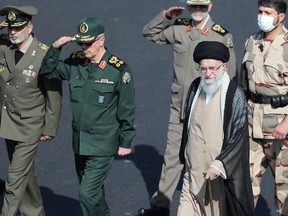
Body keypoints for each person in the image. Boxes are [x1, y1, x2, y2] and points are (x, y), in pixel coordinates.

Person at [138, 0, 236, 215]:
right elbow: (150, 34)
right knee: (172, 154)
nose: (197, 11)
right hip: (180, 106)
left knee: (205, 156)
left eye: (201, 7)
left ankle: (212, 206)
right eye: (194, 7)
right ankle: (161, 205)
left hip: (205, 109)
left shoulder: (220, 36)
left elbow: (231, 76)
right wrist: (166, 16)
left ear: (210, 7)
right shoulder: (180, 29)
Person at [40, 16, 136, 216]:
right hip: (80, 141)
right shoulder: (75, 63)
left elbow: (126, 107)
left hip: (103, 143)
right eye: (80, 42)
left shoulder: (118, 69)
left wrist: (126, 141)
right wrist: (55, 47)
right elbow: (48, 72)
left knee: (87, 193)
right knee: (94, 193)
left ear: (101, 40)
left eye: (88, 42)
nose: (84, 47)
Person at [177, 41, 254, 216]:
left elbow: (238, 136)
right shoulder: (195, 88)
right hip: (194, 172)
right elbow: (187, 128)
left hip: (218, 175)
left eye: (213, 68)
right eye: (203, 69)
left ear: (224, 67)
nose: (208, 73)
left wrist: (220, 165)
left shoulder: (234, 95)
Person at [0, 5, 62, 216]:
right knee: (26, 175)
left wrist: (50, 127)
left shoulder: (44, 54)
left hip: (30, 125)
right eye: (10, 29)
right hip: (8, 121)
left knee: (14, 178)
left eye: (18, 28)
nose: (13, 33)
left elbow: (53, 94)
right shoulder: (5, 47)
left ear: (30, 27)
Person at [240, 0, 288, 214]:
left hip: (281, 128)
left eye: (267, 12)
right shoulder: (252, 41)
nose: (262, 16)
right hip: (252, 125)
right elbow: (243, 82)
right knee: (244, 186)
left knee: (284, 190)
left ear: (281, 16)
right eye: (260, 11)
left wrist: (287, 123)